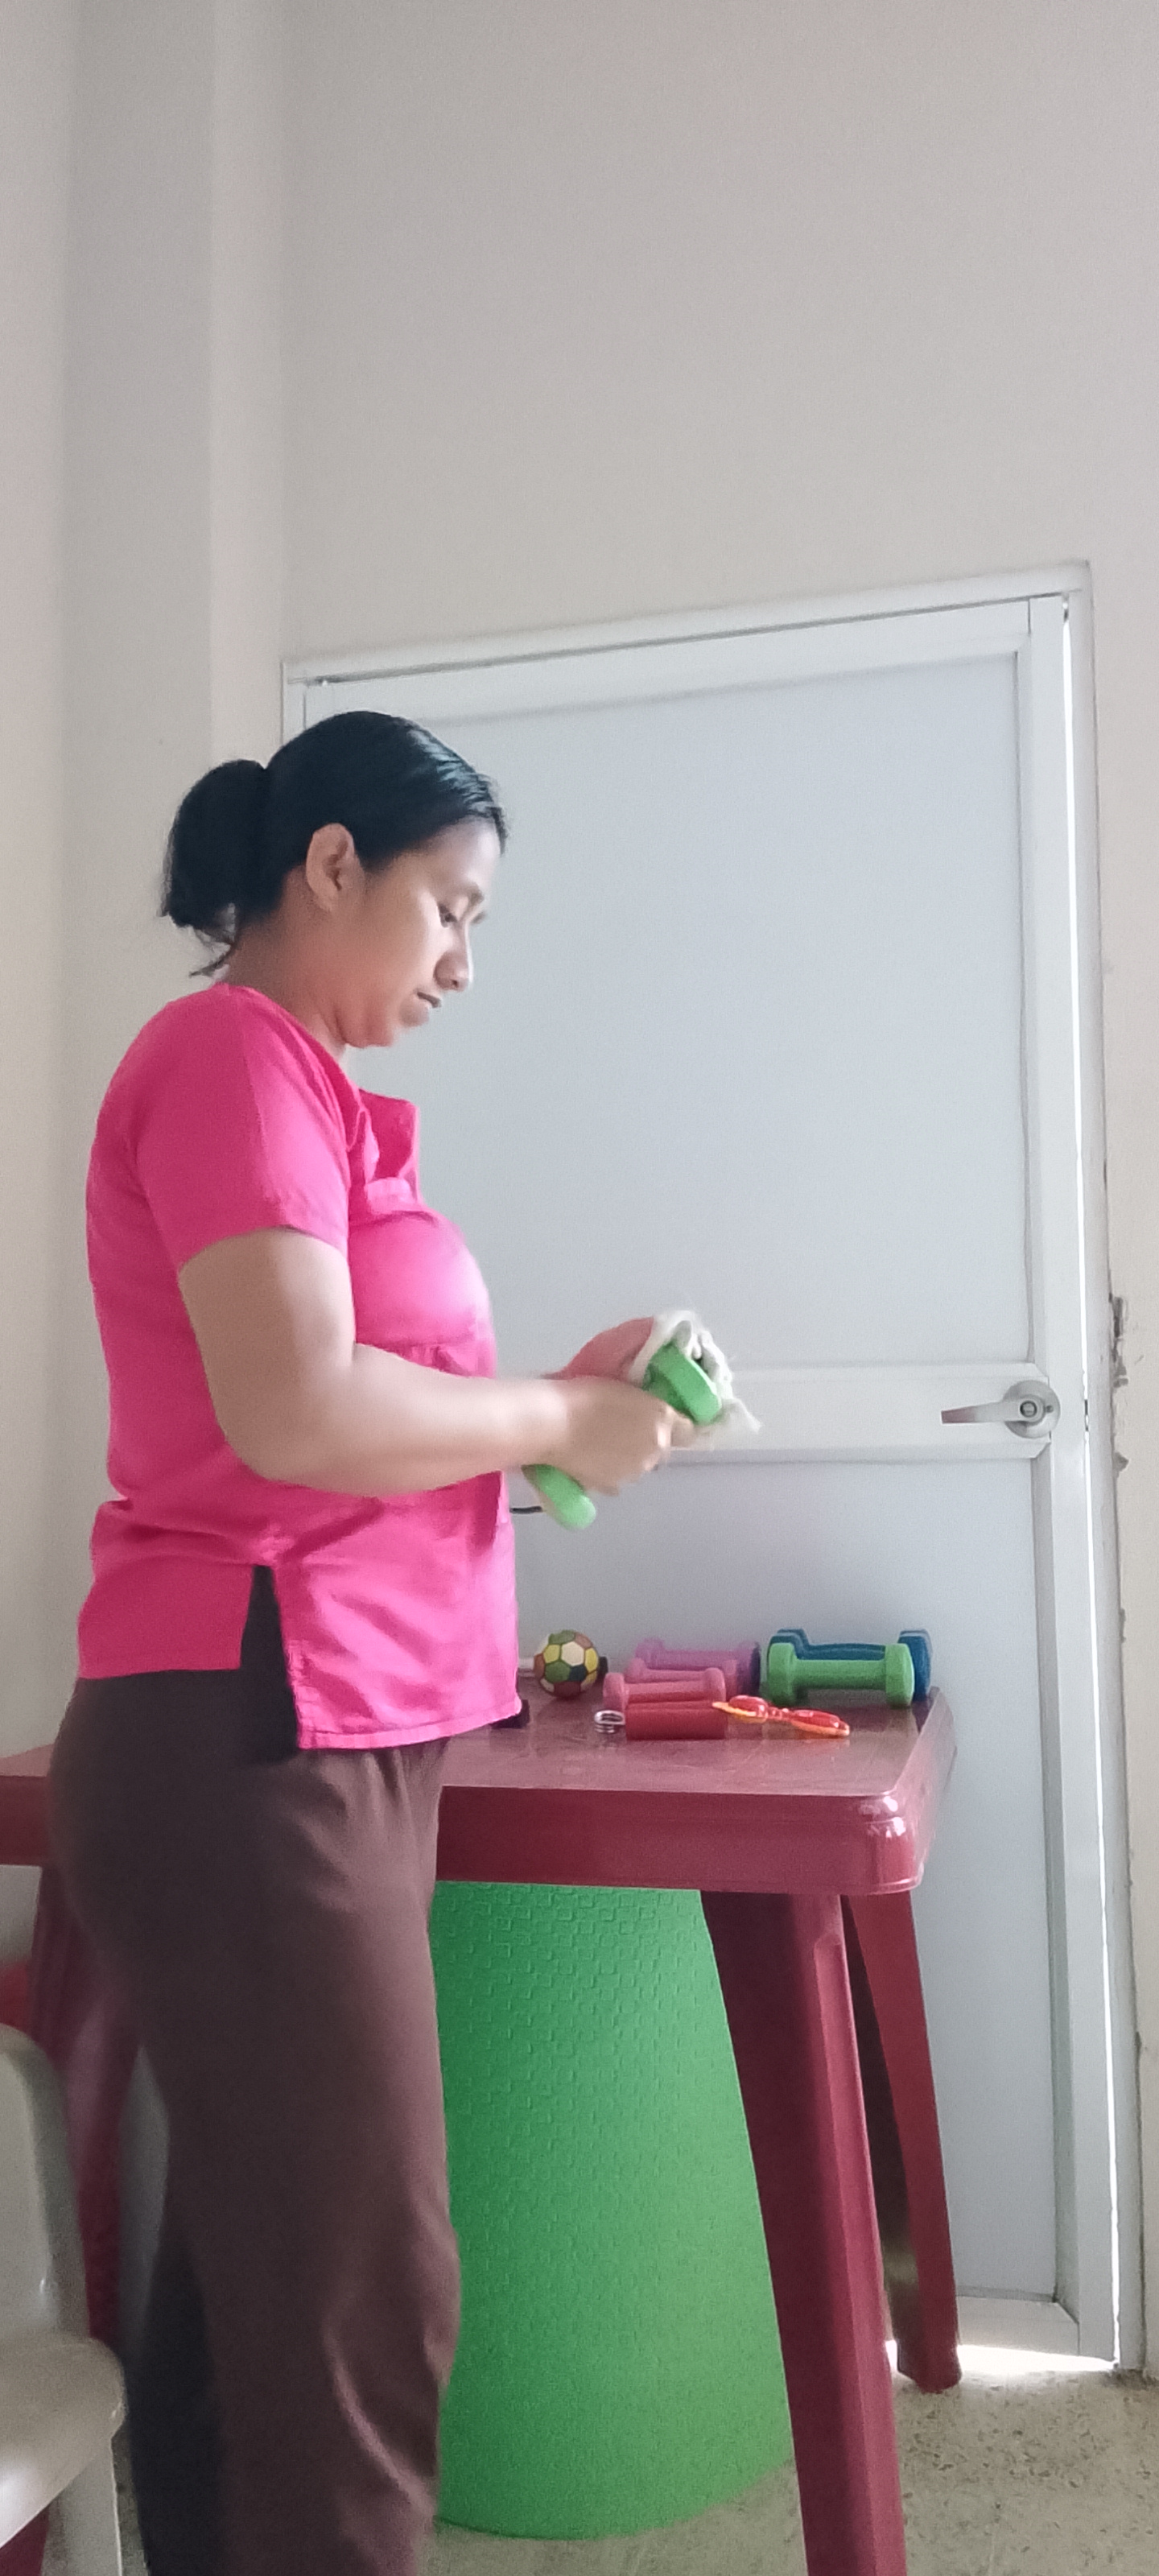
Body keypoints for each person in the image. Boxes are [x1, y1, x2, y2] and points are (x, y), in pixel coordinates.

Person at [47, 711, 690, 2576]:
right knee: (363, 2298)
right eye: (450, 907)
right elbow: (297, 1409)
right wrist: (555, 1418)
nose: (464, 962)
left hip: (322, 1728)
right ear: (331, 864)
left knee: (270, 2282)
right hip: (253, 1723)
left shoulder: (305, 1091)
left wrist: (557, 1415)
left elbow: (351, 1418)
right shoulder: (229, 1053)